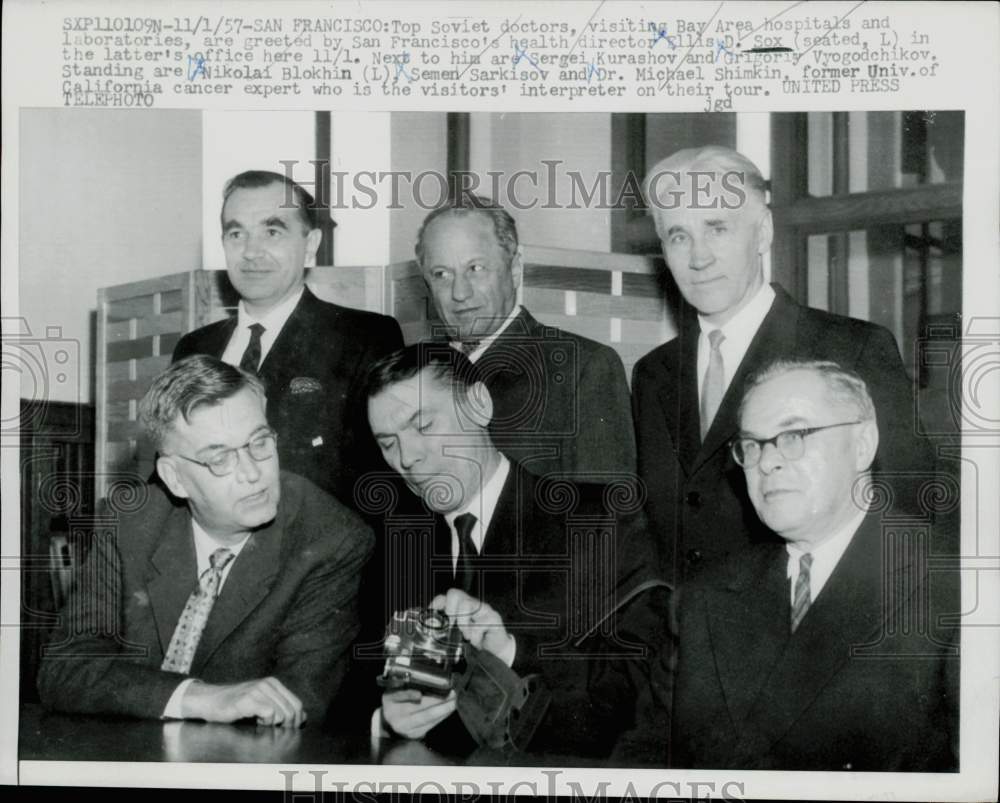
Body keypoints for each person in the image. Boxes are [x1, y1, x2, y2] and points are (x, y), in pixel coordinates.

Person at [632, 146, 934, 582]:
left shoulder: (852, 350)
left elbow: (908, 516)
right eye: (679, 235)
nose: (699, 257)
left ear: (763, 233)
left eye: (717, 228)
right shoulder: (651, 373)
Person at [38, 355, 373, 727]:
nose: (252, 473)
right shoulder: (128, 522)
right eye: (219, 459)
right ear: (174, 478)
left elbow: (297, 703)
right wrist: (196, 697)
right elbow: (65, 670)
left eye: (259, 443)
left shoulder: (330, 538)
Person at [361, 344, 661, 757]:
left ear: (479, 404)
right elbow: (354, 693)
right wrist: (388, 720)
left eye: (424, 425)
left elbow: (639, 691)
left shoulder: (596, 522)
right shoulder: (394, 550)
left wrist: (510, 652)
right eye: (388, 443)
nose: (408, 457)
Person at [661, 360, 957, 770]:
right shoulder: (704, 598)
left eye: (794, 435)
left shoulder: (954, 586)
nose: (766, 463)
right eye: (752, 444)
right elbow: (648, 756)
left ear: (862, 444)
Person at [173, 170, 403, 508]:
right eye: (236, 233)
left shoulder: (363, 339)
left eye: (271, 231)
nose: (251, 251)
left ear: (310, 245)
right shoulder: (194, 349)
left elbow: (383, 488)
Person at [415, 195, 636, 481]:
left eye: (476, 269)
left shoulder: (581, 367)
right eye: (442, 274)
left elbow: (606, 515)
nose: (460, 292)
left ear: (515, 268)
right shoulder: (416, 372)